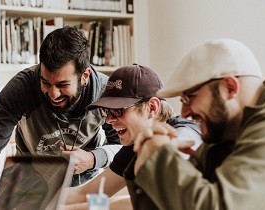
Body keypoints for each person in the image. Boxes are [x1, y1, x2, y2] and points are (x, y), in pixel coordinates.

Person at [0, 26, 122, 201]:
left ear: (85, 76)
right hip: (30, 187)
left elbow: (122, 146)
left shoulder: (105, 93)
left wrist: (93, 159)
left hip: (85, 190)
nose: (53, 94)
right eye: (45, 82)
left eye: (62, 85)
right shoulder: (21, 87)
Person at [129, 39, 265, 209]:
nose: (184, 112)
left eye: (189, 97)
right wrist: (146, 155)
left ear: (230, 88)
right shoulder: (220, 133)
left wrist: (158, 155)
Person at [62, 64, 202, 210]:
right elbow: (85, 193)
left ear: (152, 107)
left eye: (117, 110)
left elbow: (145, 203)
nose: (109, 120)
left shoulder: (186, 133)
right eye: (106, 111)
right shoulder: (136, 144)